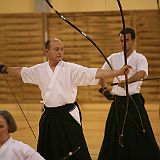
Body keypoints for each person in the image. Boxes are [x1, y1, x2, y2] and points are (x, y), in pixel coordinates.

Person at [0, 38, 131, 160]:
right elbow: (21, 71)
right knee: (47, 151)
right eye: (56, 49)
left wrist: (118, 72)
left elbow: (94, 73)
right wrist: (4, 69)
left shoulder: (71, 69)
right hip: (49, 116)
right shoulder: (39, 70)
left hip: (68, 115)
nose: (60, 52)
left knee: (76, 150)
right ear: (47, 51)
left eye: (62, 49)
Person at [98, 28, 160, 160]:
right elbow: (101, 74)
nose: (123, 43)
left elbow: (141, 74)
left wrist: (128, 81)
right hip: (118, 102)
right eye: (121, 41)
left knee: (140, 132)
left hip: (134, 101)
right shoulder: (113, 58)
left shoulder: (139, 58)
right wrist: (104, 90)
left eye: (126, 40)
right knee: (112, 133)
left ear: (133, 41)